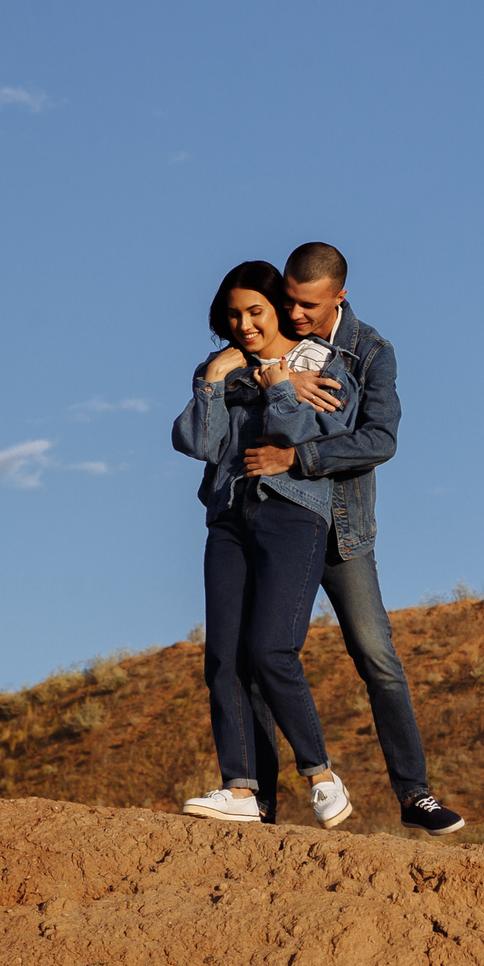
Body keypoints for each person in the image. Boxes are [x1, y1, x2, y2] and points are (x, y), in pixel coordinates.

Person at [249, 241, 468, 836]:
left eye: (310, 306)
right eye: (290, 301)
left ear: (340, 296)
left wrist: (299, 456)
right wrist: (274, 384)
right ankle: (260, 801)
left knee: (377, 658)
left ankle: (415, 794)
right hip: (279, 521)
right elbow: (231, 384)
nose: (296, 314)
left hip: (342, 530)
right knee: (264, 654)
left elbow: (380, 440)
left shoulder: (371, 351)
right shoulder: (269, 333)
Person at [170, 260, 359, 829]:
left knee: (271, 649)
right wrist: (211, 381)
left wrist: (277, 387)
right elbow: (198, 443)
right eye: (232, 315)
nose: (244, 325)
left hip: (293, 514)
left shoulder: (324, 365)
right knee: (224, 658)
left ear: (279, 308)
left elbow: (308, 437)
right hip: (229, 515)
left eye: (255, 311)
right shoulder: (224, 371)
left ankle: (321, 775)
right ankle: (242, 790)